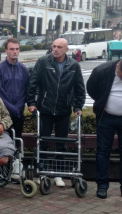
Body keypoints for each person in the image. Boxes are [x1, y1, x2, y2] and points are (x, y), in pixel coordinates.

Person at [26, 38, 85, 187]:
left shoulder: (74, 65)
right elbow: (32, 83)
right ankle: (42, 172)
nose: (56, 49)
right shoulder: (43, 62)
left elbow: (79, 89)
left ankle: (58, 174)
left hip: (63, 110)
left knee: (61, 143)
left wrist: (78, 107)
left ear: (66, 49)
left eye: (59, 47)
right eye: (54, 46)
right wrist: (31, 103)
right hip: (44, 109)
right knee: (43, 142)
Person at [0, 38, 29, 178]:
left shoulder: (23, 69)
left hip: (18, 114)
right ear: (6, 51)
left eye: (17, 49)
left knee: (17, 141)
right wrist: (12, 108)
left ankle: (15, 168)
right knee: (3, 142)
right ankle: (2, 170)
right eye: (12, 49)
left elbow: (26, 90)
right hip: (3, 114)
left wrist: (19, 107)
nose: (15, 52)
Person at [87, 59, 122, 199]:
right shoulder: (102, 70)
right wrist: (102, 101)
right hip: (106, 116)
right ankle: (102, 185)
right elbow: (91, 88)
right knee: (103, 151)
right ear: (117, 68)